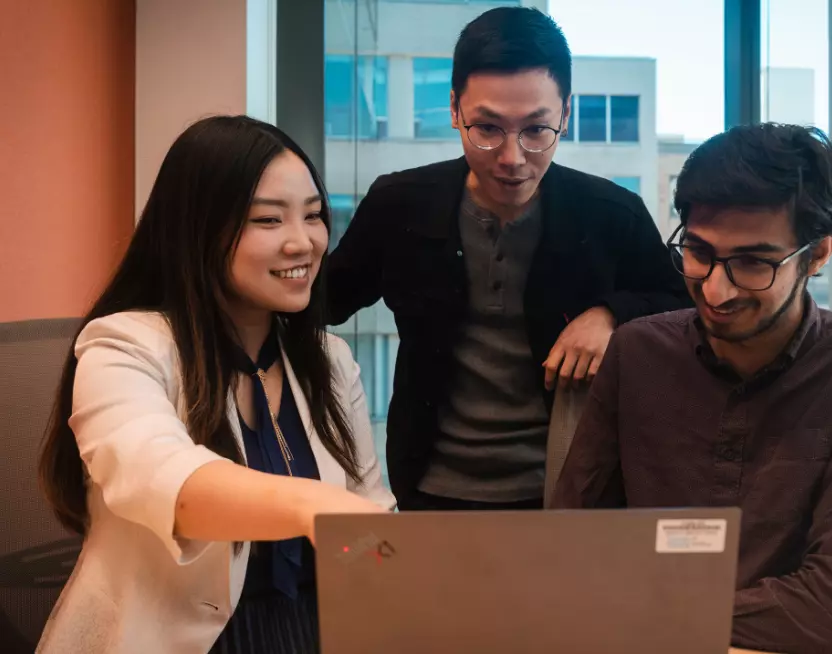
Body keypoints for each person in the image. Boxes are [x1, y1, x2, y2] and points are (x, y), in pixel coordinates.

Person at [551, 123, 832, 654]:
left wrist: (641, 603)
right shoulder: (637, 352)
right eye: (699, 251)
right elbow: (566, 554)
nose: (715, 288)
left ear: (819, 254)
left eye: (753, 262)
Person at [36, 115, 395, 654]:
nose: (303, 242)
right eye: (268, 220)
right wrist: (312, 505)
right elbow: (164, 480)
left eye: (315, 216)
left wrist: (406, 578)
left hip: (316, 630)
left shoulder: (329, 359)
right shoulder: (122, 345)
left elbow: (370, 516)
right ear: (197, 229)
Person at [325, 7, 691, 511]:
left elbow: (684, 304)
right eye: (488, 128)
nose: (513, 157)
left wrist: (611, 314)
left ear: (566, 113)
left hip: (569, 489)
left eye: (537, 130)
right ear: (454, 109)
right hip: (431, 487)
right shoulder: (401, 204)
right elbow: (322, 300)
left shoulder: (609, 214)